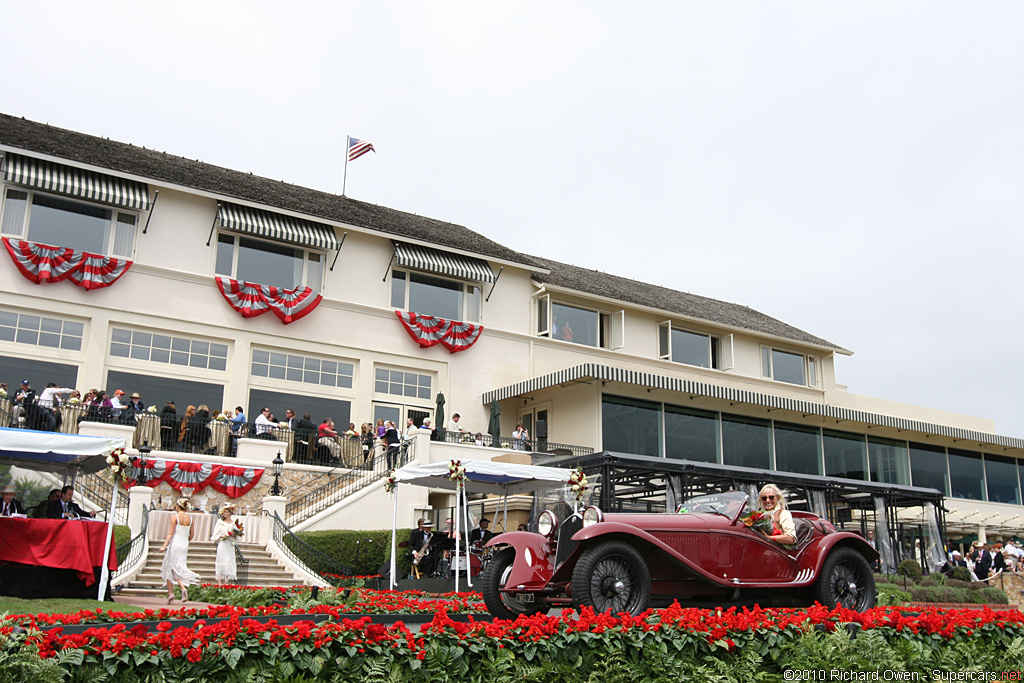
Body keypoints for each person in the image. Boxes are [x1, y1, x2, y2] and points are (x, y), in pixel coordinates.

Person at [159, 498, 201, 603]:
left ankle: (172, 592)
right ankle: (180, 588)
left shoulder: (175, 517)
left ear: (177, 506)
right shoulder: (190, 518)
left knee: (170, 566)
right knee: (179, 566)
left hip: (175, 543)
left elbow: (170, 533)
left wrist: (164, 546)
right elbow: (191, 536)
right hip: (184, 544)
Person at [211, 502, 240, 584]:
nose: (225, 513)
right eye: (224, 512)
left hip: (229, 544)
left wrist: (234, 534)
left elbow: (237, 537)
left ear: (230, 513)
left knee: (229, 560)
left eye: (226, 512)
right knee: (221, 560)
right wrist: (221, 535)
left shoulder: (234, 524)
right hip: (222, 544)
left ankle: (226, 581)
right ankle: (219, 581)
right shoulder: (220, 522)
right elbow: (215, 534)